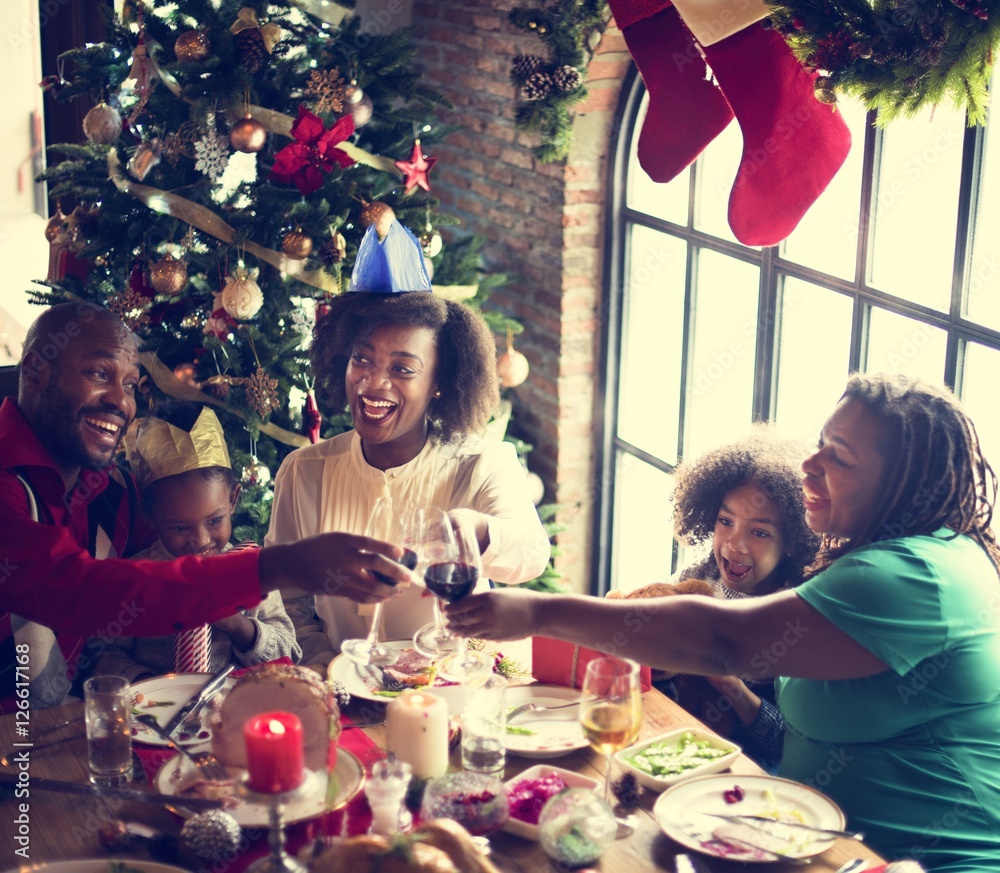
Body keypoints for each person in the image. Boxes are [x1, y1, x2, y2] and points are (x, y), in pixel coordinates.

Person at [445, 373, 1000, 870]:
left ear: (904, 482)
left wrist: (535, 609)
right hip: (806, 838)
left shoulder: (914, 574)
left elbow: (723, 639)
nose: (810, 466)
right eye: (820, 444)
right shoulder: (895, 554)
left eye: (841, 457)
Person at [0, 303, 409, 713]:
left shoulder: (113, 491)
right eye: (98, 374)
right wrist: (281, 566)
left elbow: (168, 571)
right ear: (36, 369)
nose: (120, 402)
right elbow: (84, 590)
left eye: (129, 384)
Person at [268, 287, 551, 667]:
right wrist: (326, 668)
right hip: (342, 689)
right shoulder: (303, 470)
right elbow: (288, 601)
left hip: (452, 684)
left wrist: (476, 529)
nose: (372, 383)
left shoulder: (483, 462)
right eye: (361, 359)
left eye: (402, 369)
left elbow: (532, 555)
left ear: (439, 383)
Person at [91, 402, 300, 680]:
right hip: (154, 712)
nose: (200, 541)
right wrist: (150, 686)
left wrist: (236, 625)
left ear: (233, 499)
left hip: (238, 708)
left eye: (215, 521)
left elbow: (289, 653)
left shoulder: (252, 569)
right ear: (150, 515)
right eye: (179, 527)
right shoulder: (136, 576)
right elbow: (103, 657)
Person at [658, 427, 819, 772]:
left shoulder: (796, 616)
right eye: (725, 521)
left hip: (750, 769)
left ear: (792, 540)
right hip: (679, 741)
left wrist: (729, 684)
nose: (734, 544)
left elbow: (784, 744)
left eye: (758, 532)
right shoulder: (699, 576)